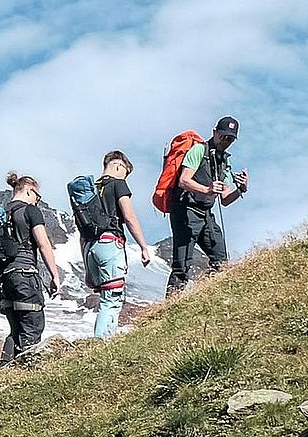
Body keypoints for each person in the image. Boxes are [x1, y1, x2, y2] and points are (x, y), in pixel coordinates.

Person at [167, 116, 250, 294]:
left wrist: (240, 189)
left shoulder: (224, 162)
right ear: (215, 133)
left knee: (221, 261)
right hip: (185, 210)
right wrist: (207, 189)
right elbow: (183, 180)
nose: (226, 141)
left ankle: (212, 297)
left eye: (230, 138)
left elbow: (225, 199)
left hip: (205, 213)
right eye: (223, 136)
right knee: (181, 265)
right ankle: (169, 307)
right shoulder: (198, 150)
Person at [0, 172, 64, 367]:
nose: (37, 201)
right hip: (25, 275)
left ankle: (4, 372)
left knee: (15, 329)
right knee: (32, 328)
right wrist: (55, 276)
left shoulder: (1, 214)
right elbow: (43, 244)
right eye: (37, 196)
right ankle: (25, 374)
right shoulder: (30, 211)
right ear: (29, 190)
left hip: (3, 279)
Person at [85, 151, 155, 336]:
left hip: (90, 247)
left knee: (105, 298)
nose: (126, 178)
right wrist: (143, 247)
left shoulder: (89, 191)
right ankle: (101, 345)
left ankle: (101, 341)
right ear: (117, 166)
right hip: (110, 243)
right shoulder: (118, 184)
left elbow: (82, 230)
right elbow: (129, 216)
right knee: (111, 300)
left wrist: (87, 268)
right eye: (125, 172)